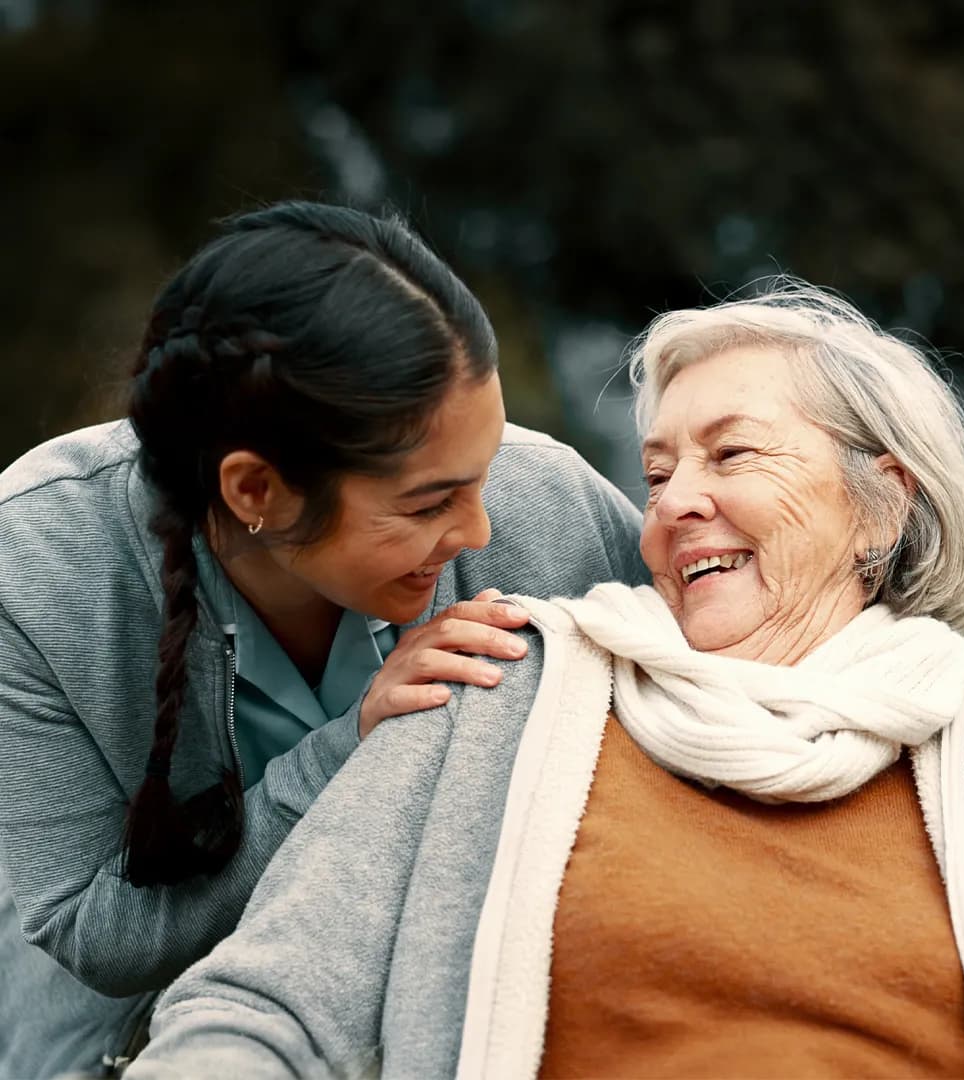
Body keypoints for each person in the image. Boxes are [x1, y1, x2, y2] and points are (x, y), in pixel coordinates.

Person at [129, 282, 964, 1080]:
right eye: (658, 476)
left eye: (733, 453)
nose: (674, 507)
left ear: (884, 506)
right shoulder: (496, 691)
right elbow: (264, 1011)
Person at [0, 201, 648, 1080]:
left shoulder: (551, 504)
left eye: (485, 473)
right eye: (427, 504)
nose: (480, 530)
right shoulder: (36, 564)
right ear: (254, 489)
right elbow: (92, 932)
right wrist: (351, 750)